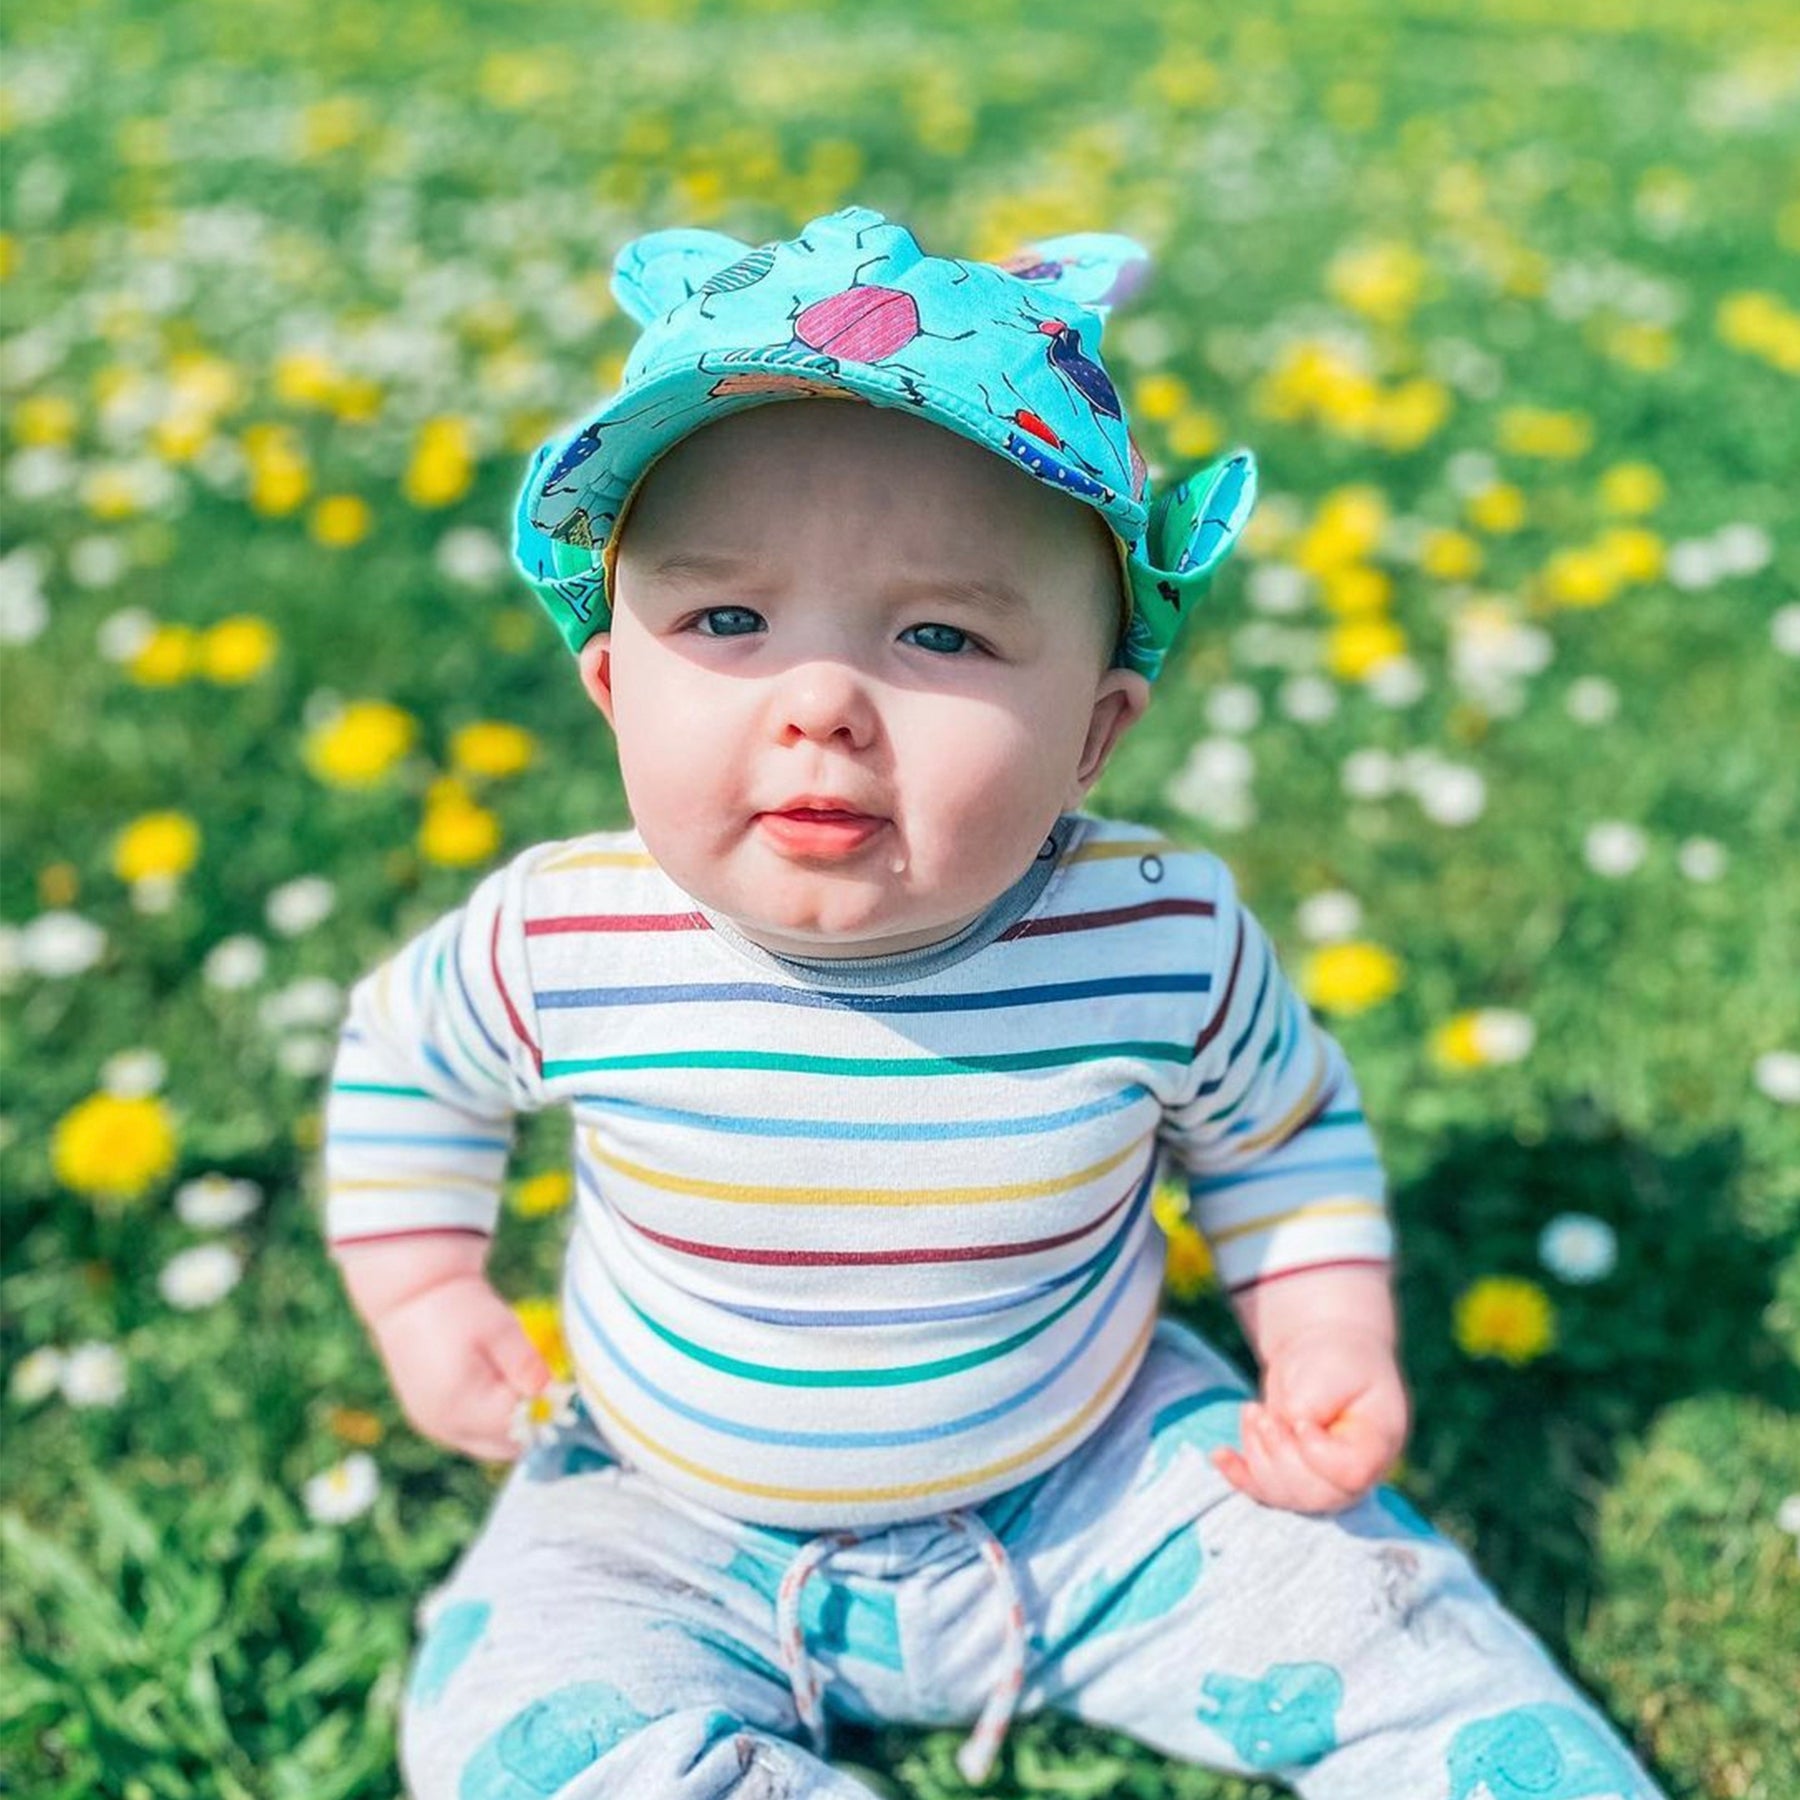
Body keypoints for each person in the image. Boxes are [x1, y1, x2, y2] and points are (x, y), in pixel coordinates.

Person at [321, 206, 1664, 1799]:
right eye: (727, 622)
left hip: (1104, 1488)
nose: (821, 704)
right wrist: (423, 1297)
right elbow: (405, 1062)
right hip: (664, 1513)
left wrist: (1322, 1330)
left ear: (1094, 734)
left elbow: (1283, 1136)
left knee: (1399, 1637)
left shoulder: (1159, 937)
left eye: (941, 633)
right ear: (613, 679)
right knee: (521, 1732)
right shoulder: (566, 936)